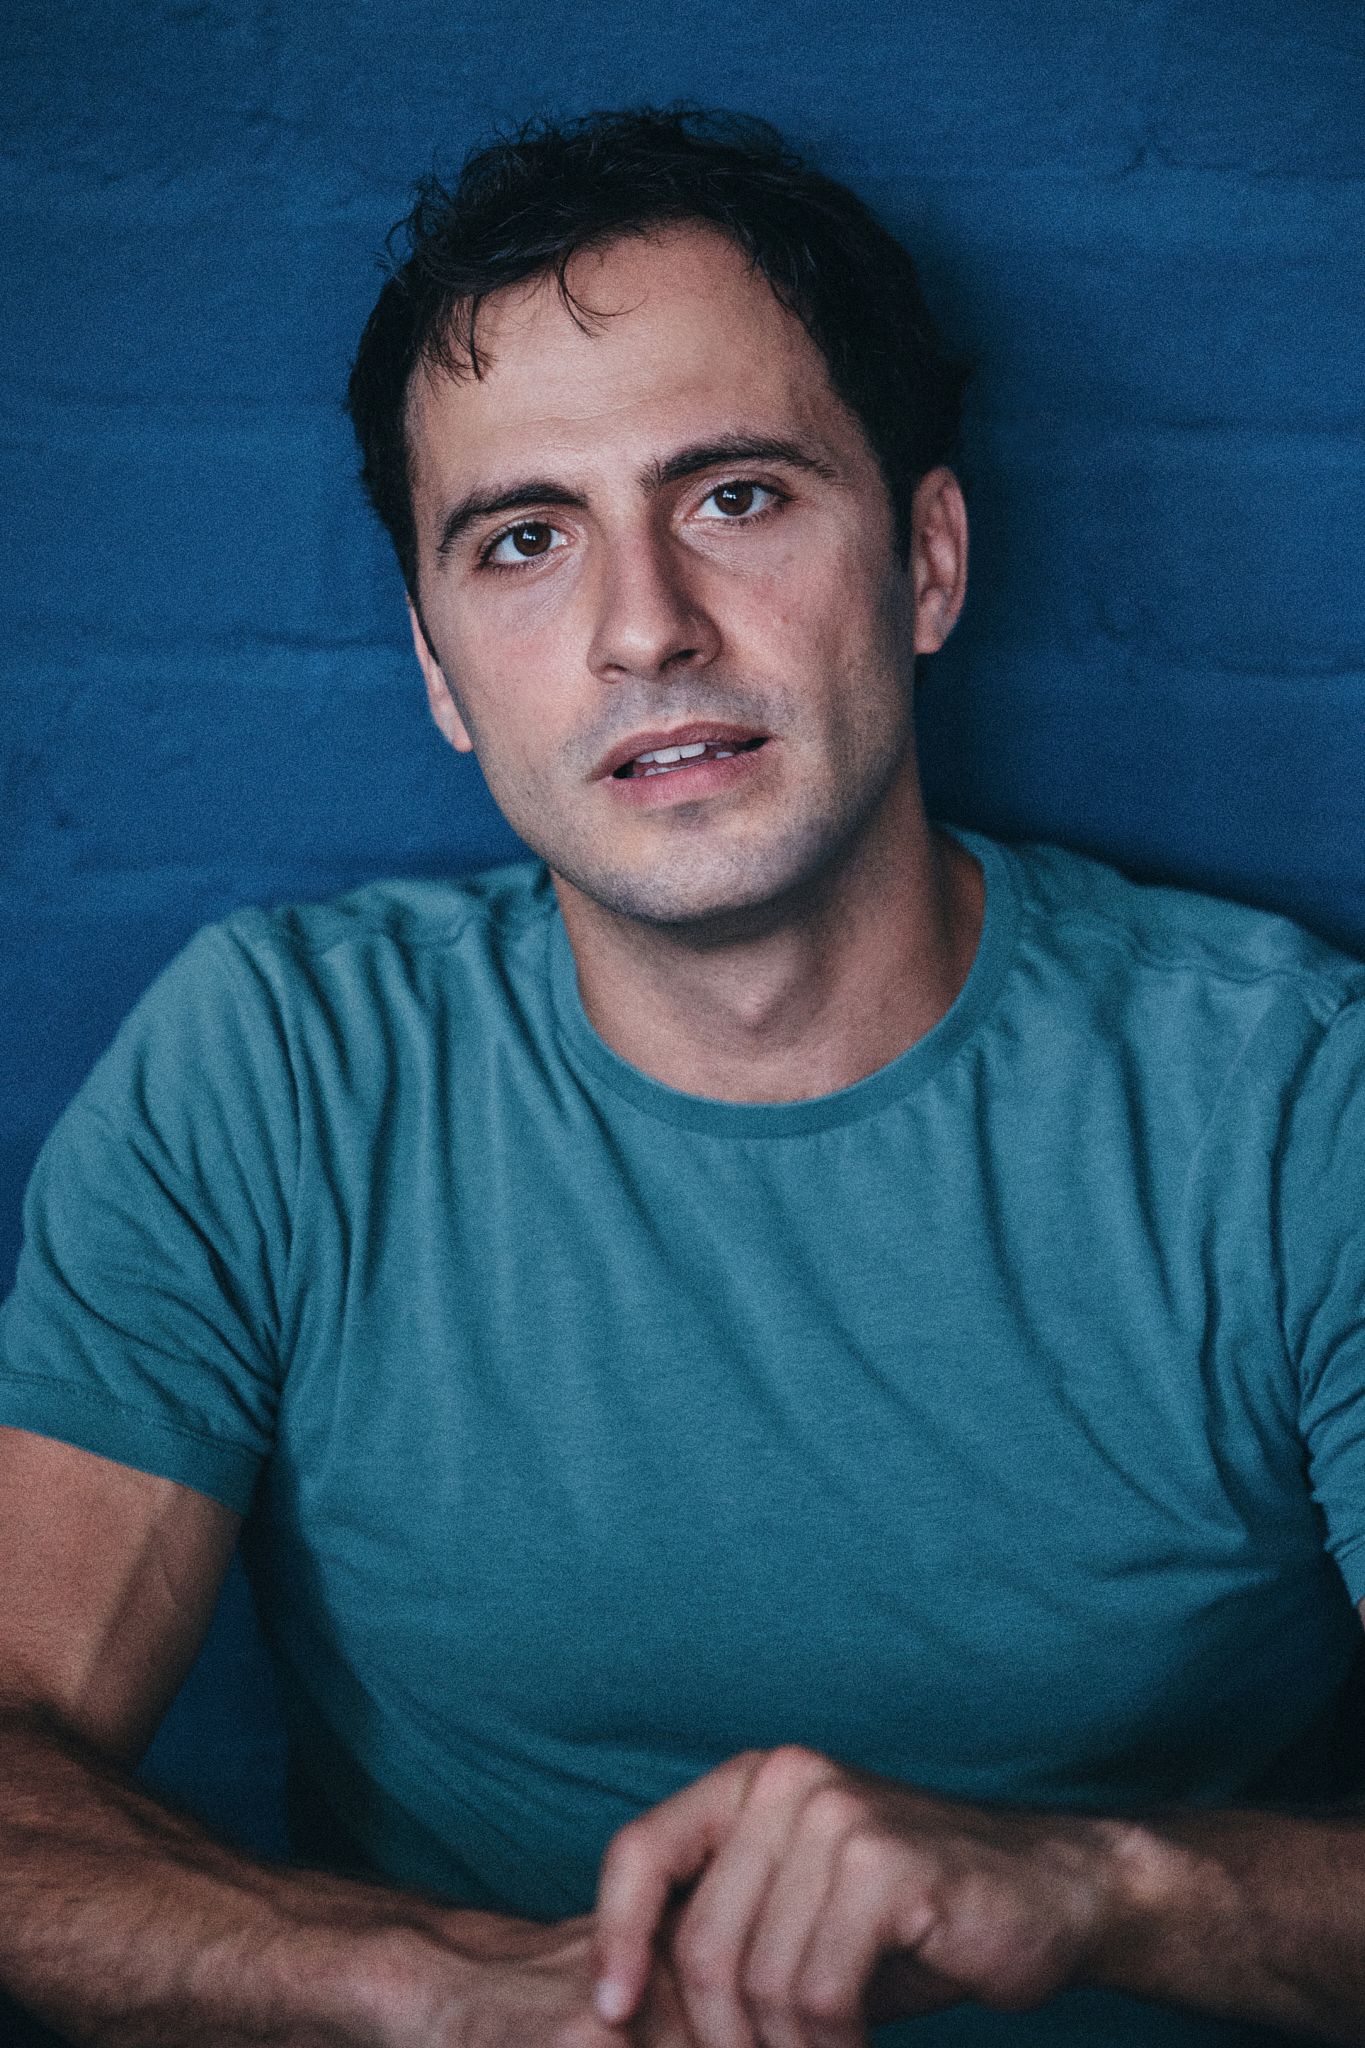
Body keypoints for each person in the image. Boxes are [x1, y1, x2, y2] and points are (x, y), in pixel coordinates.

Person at [1, 103, 1364, 2048]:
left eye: (733, 496)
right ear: (440, 671)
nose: (641, 626)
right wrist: (437, 1988)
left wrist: (1101, 1885)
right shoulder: (276, 1069)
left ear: (925, 560)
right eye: (523, 541)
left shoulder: (1294, 1105)